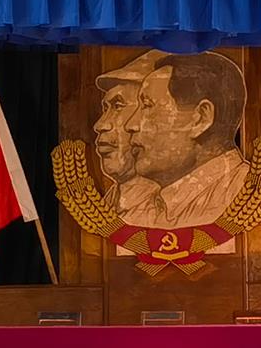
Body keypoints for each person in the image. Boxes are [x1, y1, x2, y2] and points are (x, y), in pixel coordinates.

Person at [91, 49, 248, 230]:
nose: (131, 125)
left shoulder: (248, 193)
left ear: (200, 119)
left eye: (147, 106)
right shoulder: (156, 207)